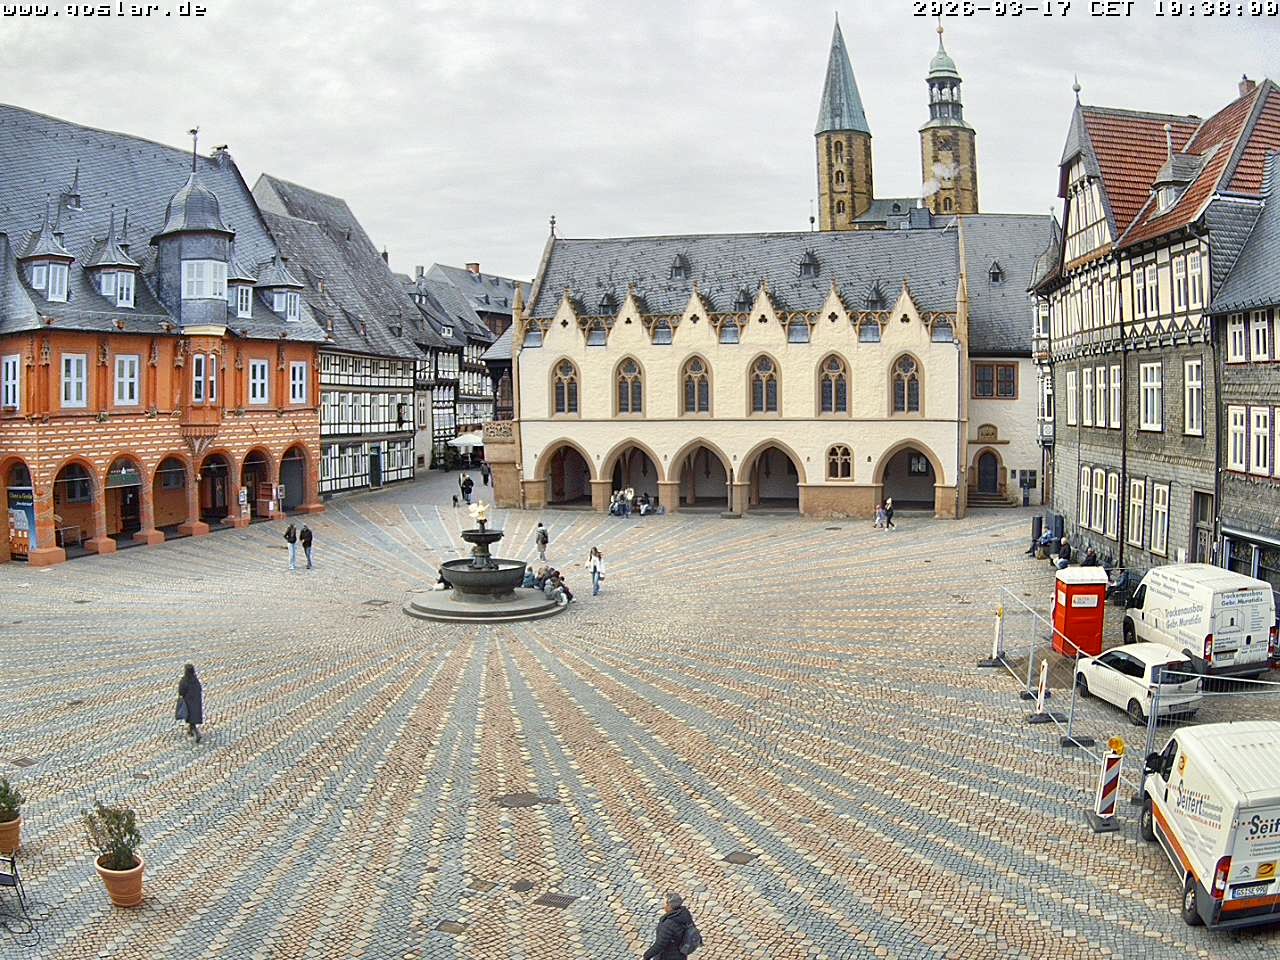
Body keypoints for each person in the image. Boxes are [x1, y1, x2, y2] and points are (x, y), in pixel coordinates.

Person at [643, 893, 698, 960]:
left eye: (665, 904)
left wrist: (646, 956)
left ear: (669, 906)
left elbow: (659, 944)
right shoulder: (685, 913)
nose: (664, 906)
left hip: (668, 956)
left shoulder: (668, 924)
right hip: (681, 954)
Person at [176, 663, 204, 744]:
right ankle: (190, 731)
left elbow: (181, 691)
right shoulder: (195, 680)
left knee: (191, 718)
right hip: (196, 701)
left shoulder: (184, 680)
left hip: (188, 702)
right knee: (192, 718)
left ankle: (197, 733)